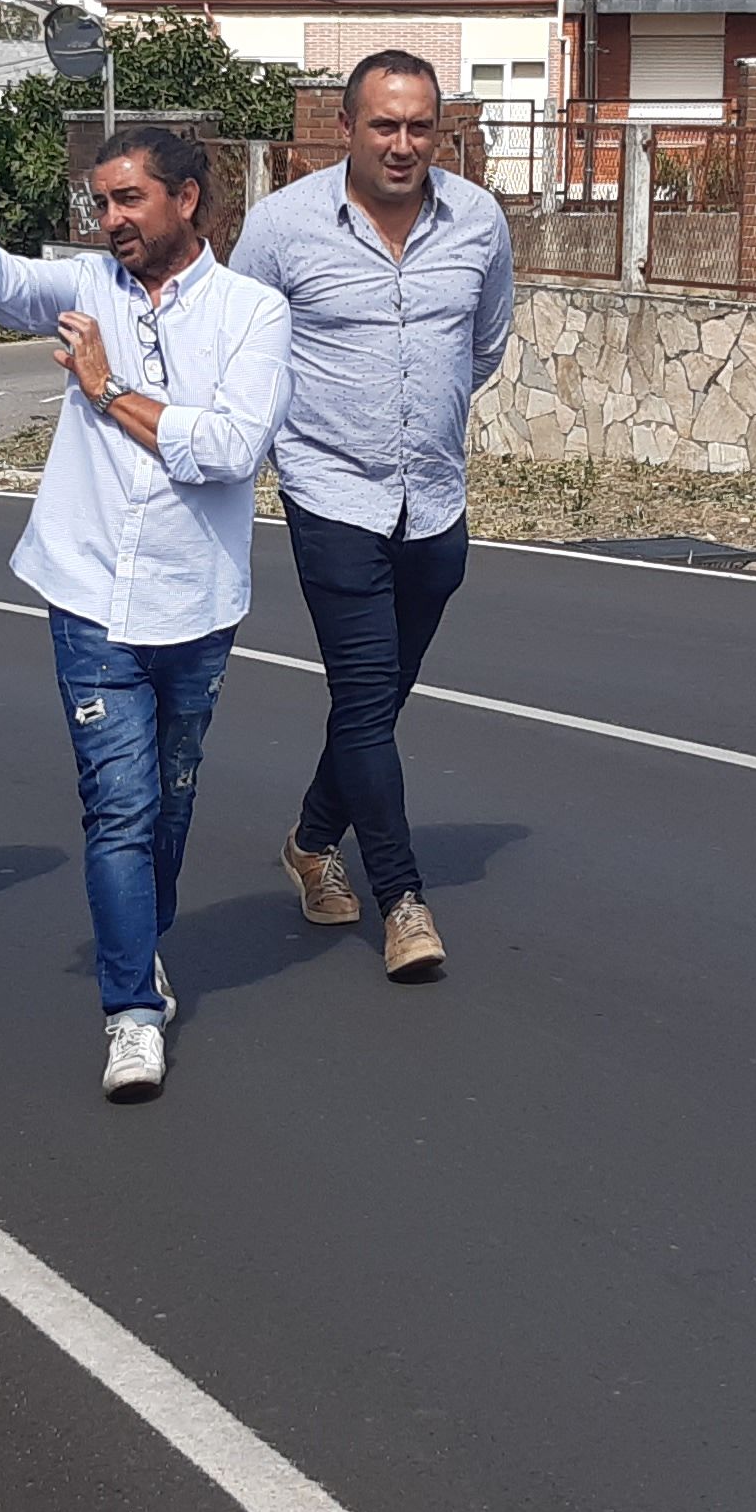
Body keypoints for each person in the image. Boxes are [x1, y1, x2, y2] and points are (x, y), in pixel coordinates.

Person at [0, 128, 287, 1102]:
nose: (112, 220)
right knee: (117, 807)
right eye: (102, 203)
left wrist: (108, 389)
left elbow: (230, 448)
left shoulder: (253, 314)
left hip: (196, 601)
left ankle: (140, 938)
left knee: (170, 799)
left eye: (129, 201)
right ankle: (130, 1009)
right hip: (85, 595)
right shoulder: (87, 287)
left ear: (188, 199)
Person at [227, 48, 515, 983]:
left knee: (380, 700)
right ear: (346, 127)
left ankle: (313, 840)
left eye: (419, 127)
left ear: (441, 131)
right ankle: (402, 899)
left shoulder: (477, 221)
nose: (402, 145)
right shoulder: (280, 228)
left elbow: (482, 345)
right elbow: (242, 348)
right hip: (330, 494)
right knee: (363, 694)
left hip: (433, 498)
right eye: (383, 125)